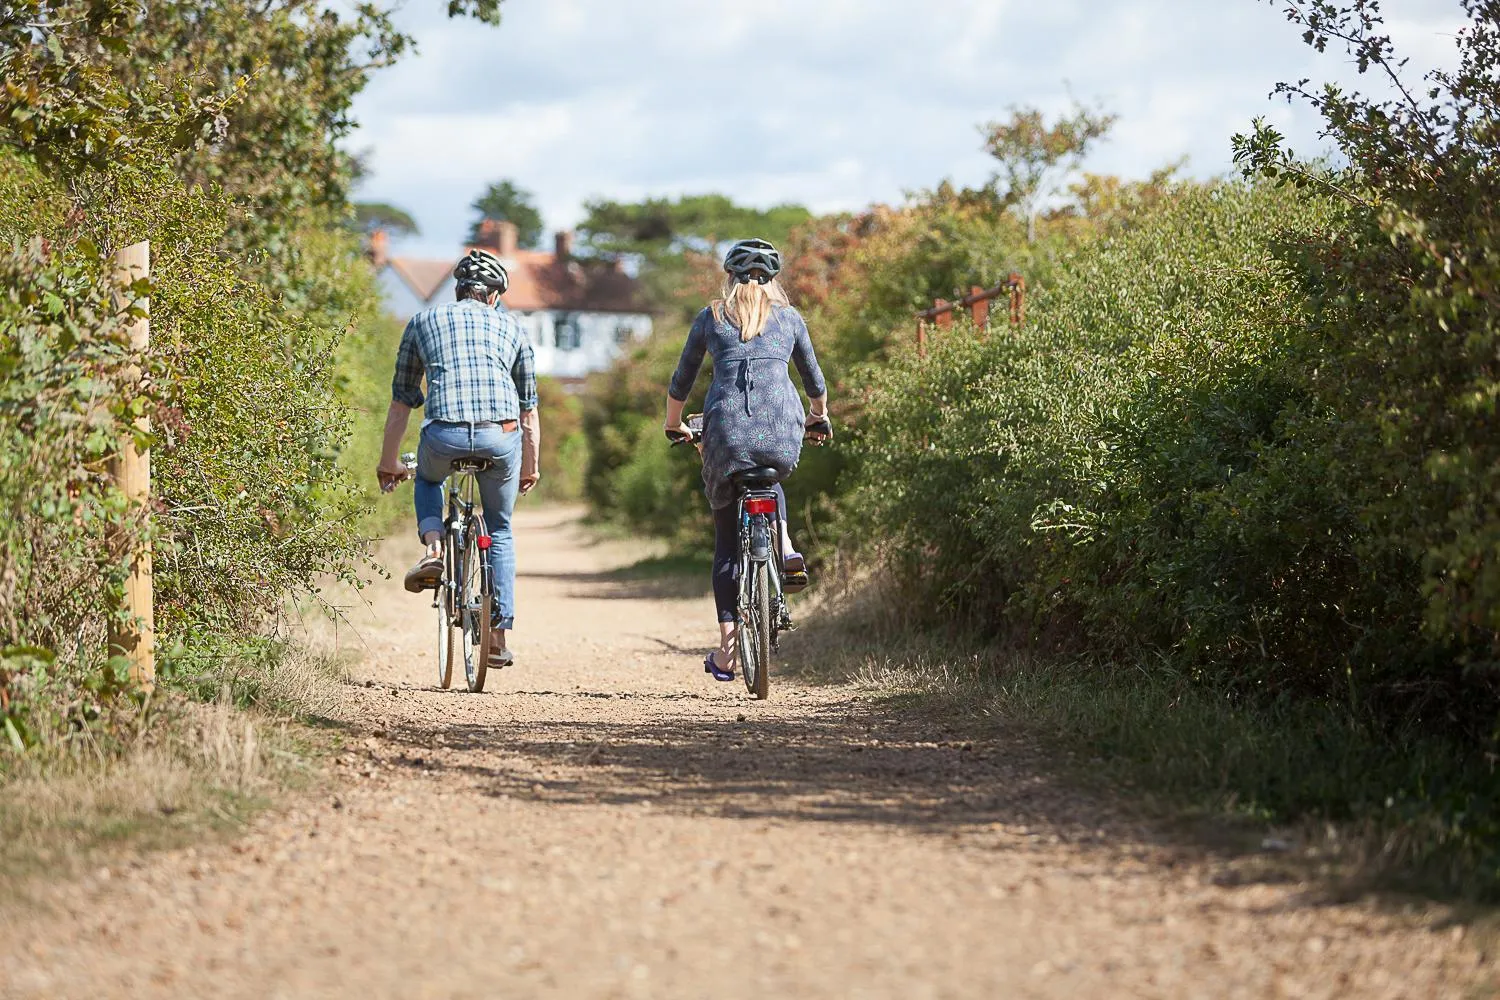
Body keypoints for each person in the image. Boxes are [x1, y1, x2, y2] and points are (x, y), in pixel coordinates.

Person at [663, 238, 830, 682]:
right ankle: (785, 544)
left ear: (729, 278)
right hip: (780, 431)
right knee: (769, 477)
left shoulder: (713, 316)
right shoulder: (790, 318)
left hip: (726, 433)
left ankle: (727, 653)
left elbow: (682, 379)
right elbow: (814, 381)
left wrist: (674, 424)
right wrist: (818, 416)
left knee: (725, 541)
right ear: (773, 280)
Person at [376, 248, 540, 668]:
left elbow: (401, 402)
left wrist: (388, 462)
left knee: (429, 479)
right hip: (500, 437)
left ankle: (434, 550)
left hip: (443, 434)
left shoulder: (423, 321)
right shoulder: (513, 327)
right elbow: (528, 411)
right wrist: (531, 465)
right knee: (499, 528)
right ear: (494, 295)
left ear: (459, 290)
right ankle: (497, 638)